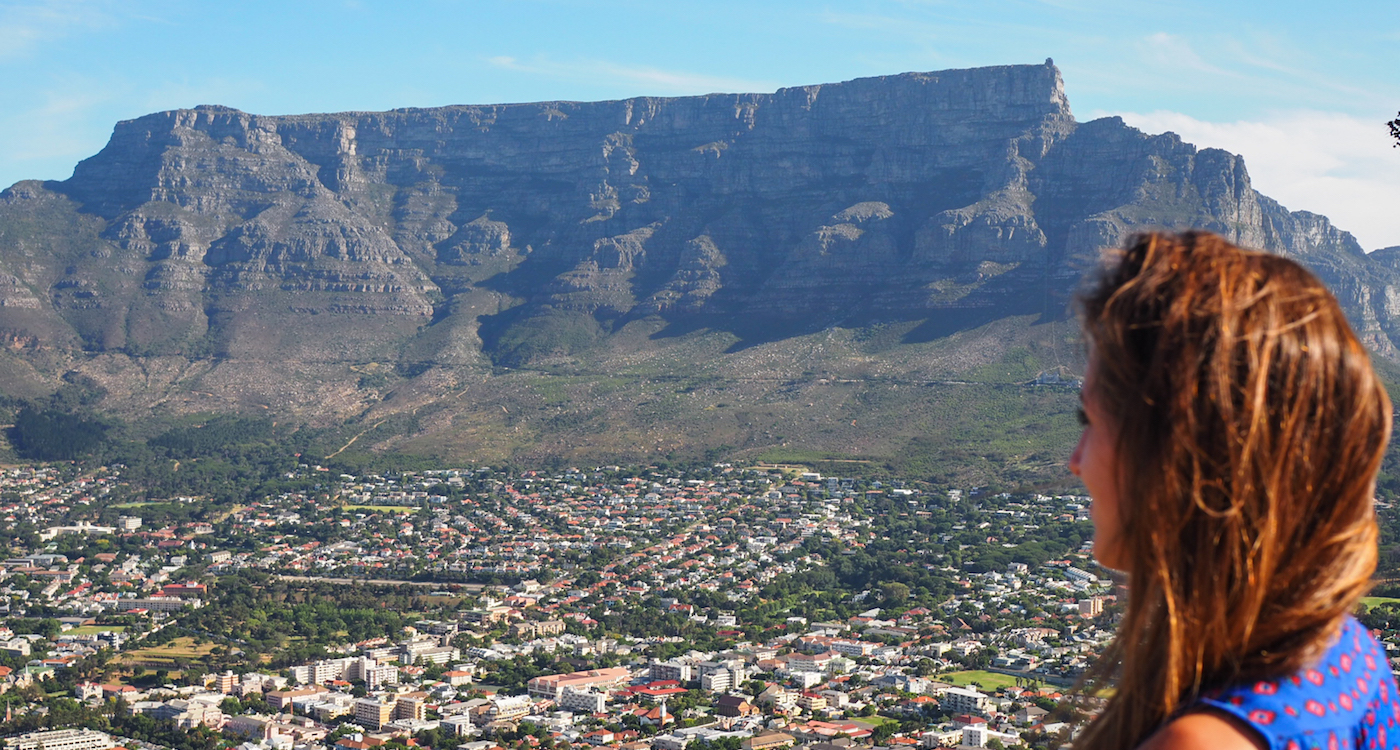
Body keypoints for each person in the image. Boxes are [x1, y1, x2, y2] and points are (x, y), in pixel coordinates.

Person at [1068, 231, 1399, 750]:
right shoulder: (1345, 650)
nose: (1074, 461)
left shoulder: (1201, 742)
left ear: (1177, 452)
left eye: (1088, 419)